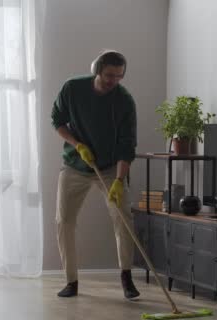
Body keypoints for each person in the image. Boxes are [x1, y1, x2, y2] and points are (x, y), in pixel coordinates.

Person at [51, 50, 139, 299]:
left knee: (123, 218)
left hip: (111, 167)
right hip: (75, 165)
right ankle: (71, 281)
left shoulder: (124, 101)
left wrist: (119, 181)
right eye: (110, 75)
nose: (114, 81)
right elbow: (57, 120)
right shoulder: (73, 89)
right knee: (64, 220)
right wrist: (77, 145)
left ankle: (126, 277)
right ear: (97, 70)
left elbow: (127, 146)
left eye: (119, 76)